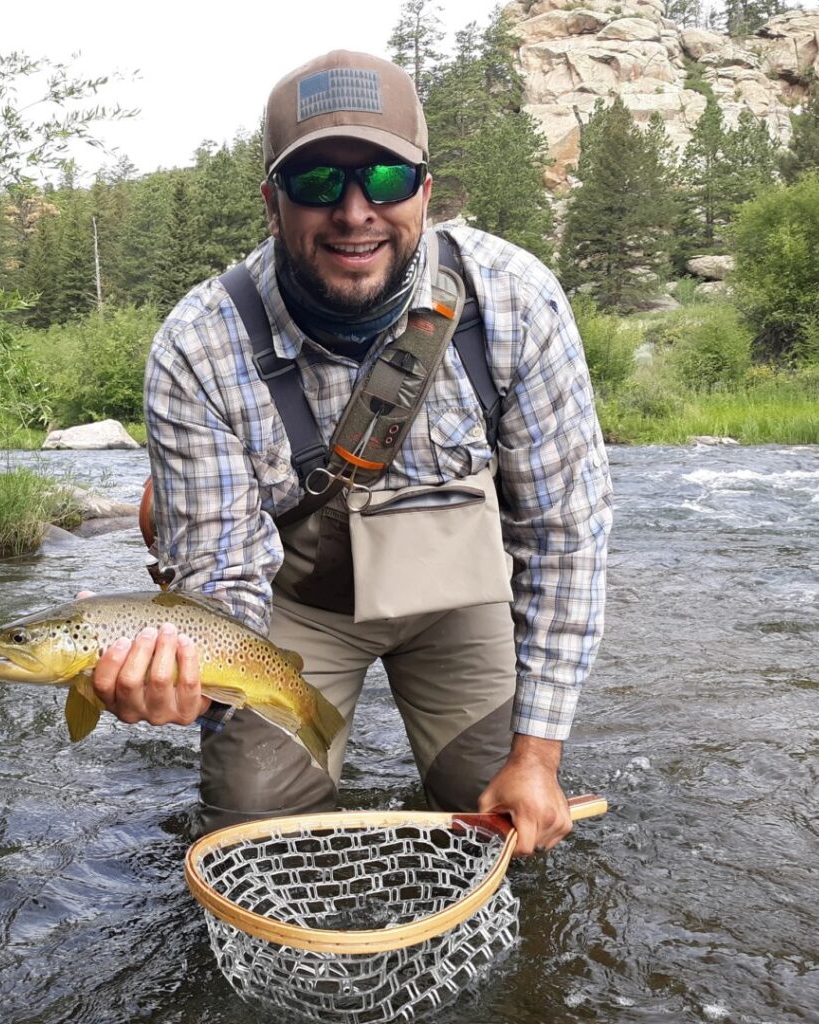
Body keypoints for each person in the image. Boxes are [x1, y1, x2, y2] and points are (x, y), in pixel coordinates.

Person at [90, 50, 613, 854]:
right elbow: (224, 578)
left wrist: (537, 755)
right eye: (319, 184)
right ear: (272, 204)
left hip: (461, 603)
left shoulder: (516, 301)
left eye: (387, 181)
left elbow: (563, 537)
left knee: (504, 820)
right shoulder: (199, 345)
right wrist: (183, 674)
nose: (356, 211)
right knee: (247, 827)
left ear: (426, 194)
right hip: (295, 610)